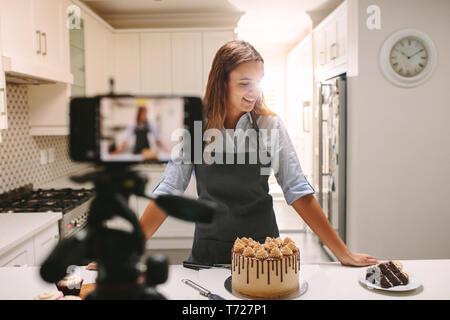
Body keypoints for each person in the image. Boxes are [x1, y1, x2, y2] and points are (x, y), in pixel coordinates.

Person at [137, 40, 379, 267]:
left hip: (263, 252)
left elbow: (297, 190)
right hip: (209, 252)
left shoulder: (269, 126)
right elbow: (168, 192)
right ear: (222, 82)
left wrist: (342, 253)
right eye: (244, 83)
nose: (253, 91)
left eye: (258, 81)